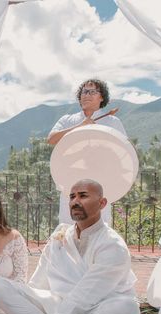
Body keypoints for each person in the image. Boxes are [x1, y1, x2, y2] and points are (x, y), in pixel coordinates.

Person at [0, 179, 148, 314]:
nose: (75, 201)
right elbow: (39, 282)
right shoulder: (61, 233)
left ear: (102, 203)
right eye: (72, 196)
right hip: (60, 311)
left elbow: (83, 299)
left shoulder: (112, 245)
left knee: (128, 308)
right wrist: (22, 295)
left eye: (83, 195)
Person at [48, 79, 127, 225]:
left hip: (101, 181)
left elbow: (123, 149)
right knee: (69, 226)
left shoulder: (113, 122)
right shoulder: (67, 120)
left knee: (99, 226)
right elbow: (52, 139)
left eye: (92, 92)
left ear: (101, 97)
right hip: (70, 180)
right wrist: (79, 126)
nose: (87, 95)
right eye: (84, 92)